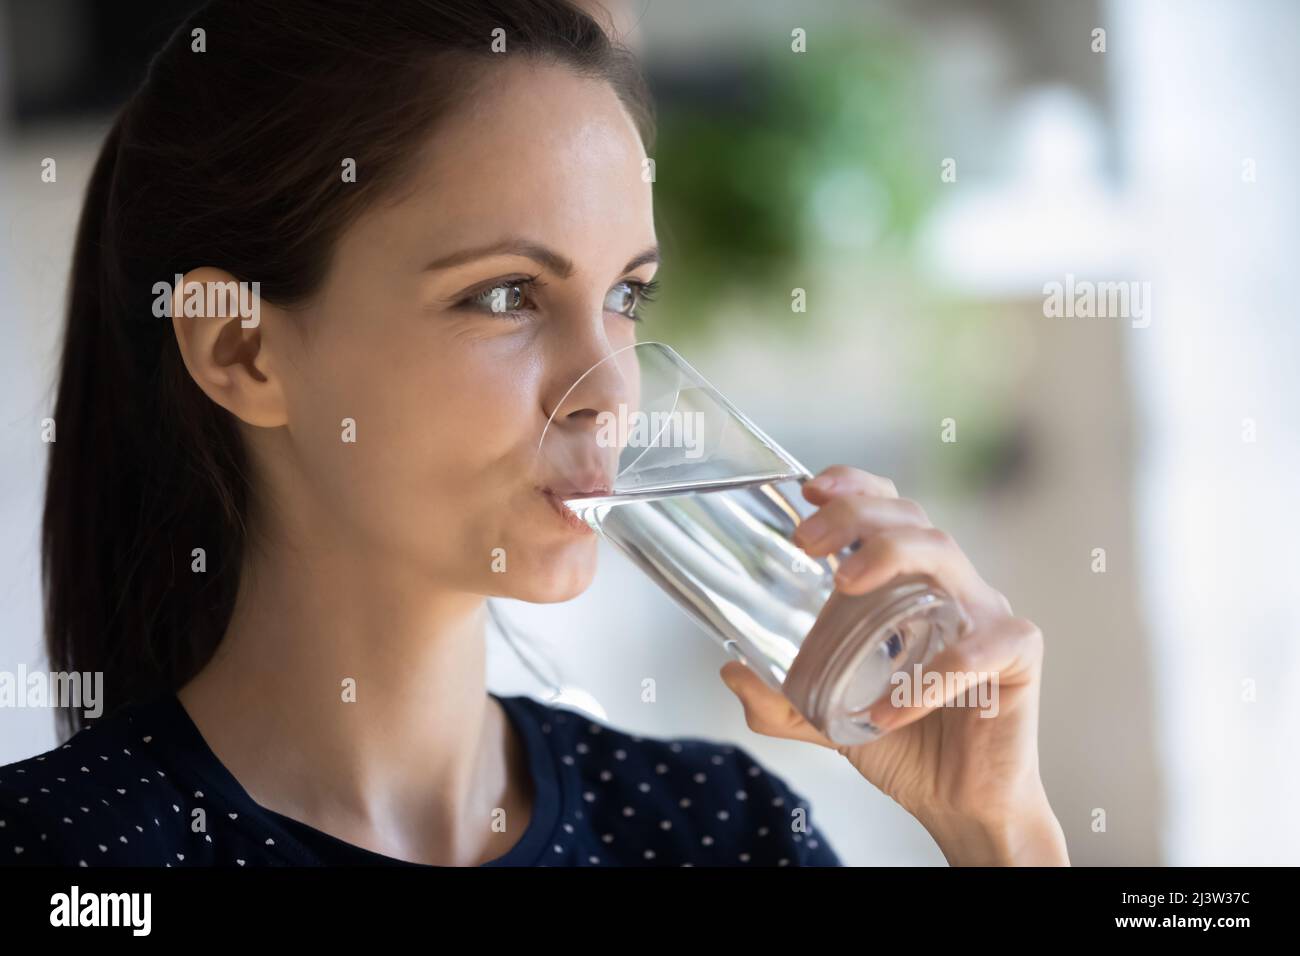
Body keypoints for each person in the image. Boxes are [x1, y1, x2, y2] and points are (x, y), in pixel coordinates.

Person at [0, 0, 1068, 867]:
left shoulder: (715, 832)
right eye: (507, 294)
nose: (609, 388)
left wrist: (992, 824)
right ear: (241, 350)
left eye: (628, 297)